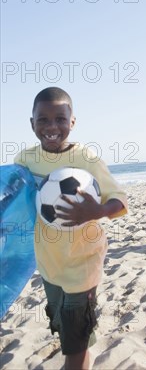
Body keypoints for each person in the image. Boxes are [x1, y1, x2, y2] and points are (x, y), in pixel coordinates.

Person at [14, 87, 128, 370]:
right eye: (43, 120)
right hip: (49, 266)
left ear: (72, 122)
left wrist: (98, 211)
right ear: (32, 124)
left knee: (74, 345)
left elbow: (119, 199)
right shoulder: (25, 160)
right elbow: (14, 197)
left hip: (82, 264)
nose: (52, 127)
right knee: (73, 335)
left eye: (60, 119)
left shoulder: (86, 160)